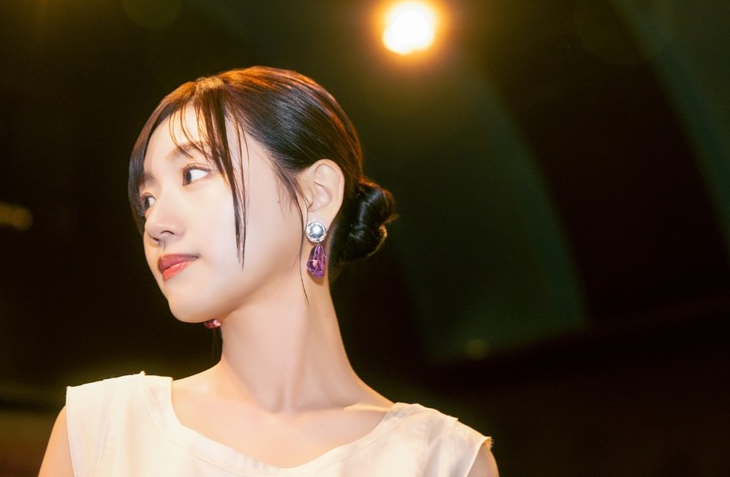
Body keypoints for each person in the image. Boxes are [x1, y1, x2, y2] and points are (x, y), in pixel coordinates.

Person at [38, 66, 498, 476]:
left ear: (316, 195)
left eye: (193, 174)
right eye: (147, 199)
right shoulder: (100, 433)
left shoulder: (442, 461)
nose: (155, 223)